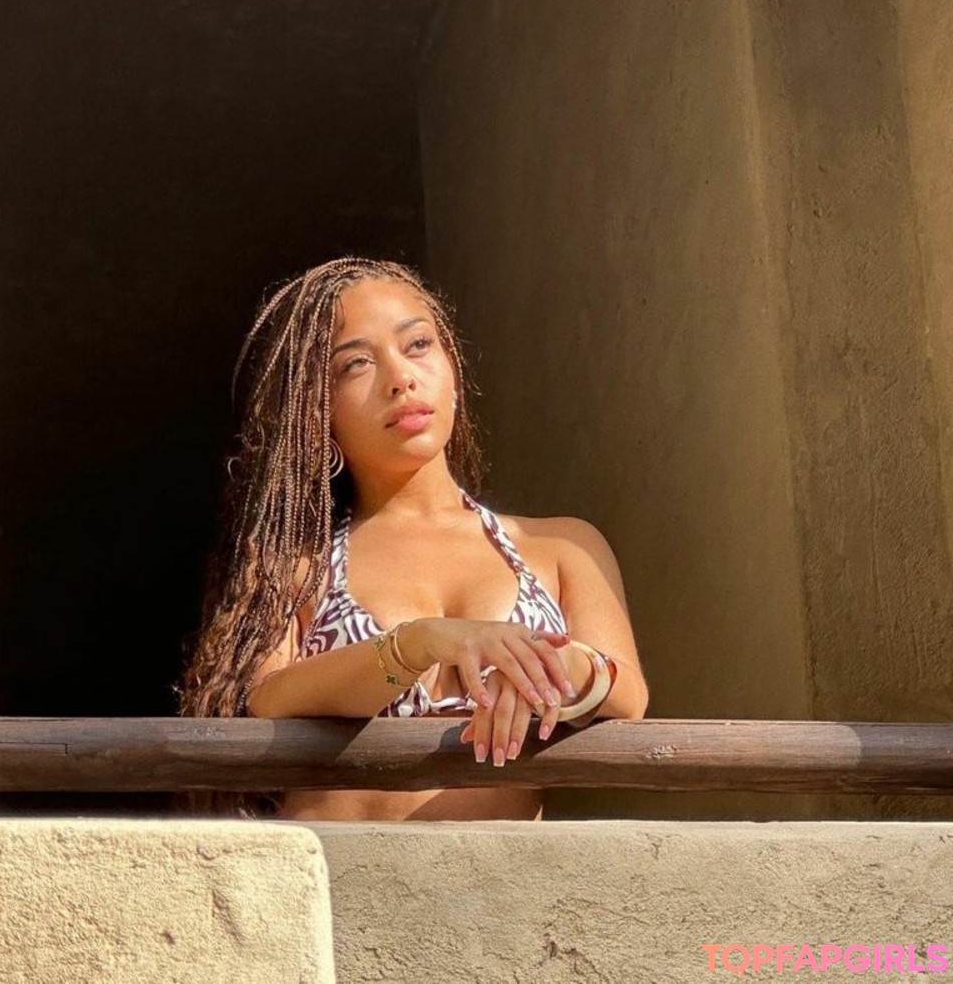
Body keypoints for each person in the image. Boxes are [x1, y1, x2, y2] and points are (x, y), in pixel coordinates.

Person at [178, 257, 648, 821]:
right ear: (317, 414)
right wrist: (417, 643)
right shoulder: (295, 568)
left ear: (453, 372)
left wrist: (555, 667)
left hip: (508, 874)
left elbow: (629, 695)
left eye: (418, 344)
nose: (400, 378)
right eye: (355, 364)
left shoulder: (561, 547)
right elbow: (268, 696)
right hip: (336, 868)